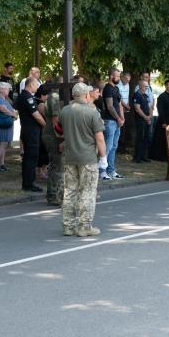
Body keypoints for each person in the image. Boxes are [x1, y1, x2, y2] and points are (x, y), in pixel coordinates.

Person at [60, 82, 107, 237]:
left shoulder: (65, 111)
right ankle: (84, 226)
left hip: (70, 157)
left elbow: (59, 131)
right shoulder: (92, 112)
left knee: (70, 192)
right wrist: (103, 157)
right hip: (87, 157)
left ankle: (68, 226)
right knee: (87, 192)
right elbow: (99, 138)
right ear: (86, 95)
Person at [16, 77, 46, 191]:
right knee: (31, 157)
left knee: (29, 157)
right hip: (31, 131)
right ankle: (29, 183)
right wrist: (46, 126)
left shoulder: (23, 96)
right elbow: (36, 115)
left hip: (27, 130)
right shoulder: (27, 97)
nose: (37, 87)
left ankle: (27, 182)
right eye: (36, 85)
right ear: (30, 85)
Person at [101, 68, 125, 180]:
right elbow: (110, 106)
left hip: (116, 121)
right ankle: (102, 171)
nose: (119, 78)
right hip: (110, 121)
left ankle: (111, 170)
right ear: (111, 76)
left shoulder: (116, 89)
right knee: (108, 146)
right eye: (118, 76)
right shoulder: (108, 89)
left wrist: (122, 118)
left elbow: (119, 105)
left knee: (114, 146)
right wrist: (118, 118)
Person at [44, 83, 65, 206]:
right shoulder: (55, 97)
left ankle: (57, 194)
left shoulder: (57, 97)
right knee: (56, 166)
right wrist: (61, 138)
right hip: (53, 136)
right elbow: (55, 121)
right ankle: (52, 196)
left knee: (59, 166)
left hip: (54, 135)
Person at [150, 80, 169, 161]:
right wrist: (163, 122)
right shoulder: (161, 97)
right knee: (162, 139)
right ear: (166, 86)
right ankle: (161, 156)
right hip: (164, 121)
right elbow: (160, 110)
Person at [0, 81, 17, 172]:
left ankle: (1, 163)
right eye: (7, 89)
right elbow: (3, 109)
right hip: (2, 125)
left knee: (4, 145)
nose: (9, 91)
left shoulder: (4, 98)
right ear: (1, 90)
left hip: (6, 125)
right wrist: (13, 114)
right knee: (2, 145)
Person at [132, 80, 152, 163]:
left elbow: (149, 107)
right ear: (140, 86)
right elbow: (137, 108)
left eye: (147, 86)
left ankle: (144, 156)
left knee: (146, 138)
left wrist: (149, 116)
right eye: (145, 86)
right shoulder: (137, 95)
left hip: (147, 119)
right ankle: (137, 157)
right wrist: (145, 117)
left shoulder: (146, 95)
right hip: (140, 119)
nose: (146, 88)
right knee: (140, 138)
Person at [117, 72, 132, 153]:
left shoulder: (127, 85)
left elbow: (127, 96)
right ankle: (120, 147)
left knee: (126, 128)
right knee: (121, 128)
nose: (127, 81)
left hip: (126, 108)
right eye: (126, 79)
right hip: (120, 108)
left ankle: (124, 146)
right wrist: (126, 106)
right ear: (122, 77)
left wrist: (127, 106)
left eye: (129, 80)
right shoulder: (118, 85)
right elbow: (120, 98)